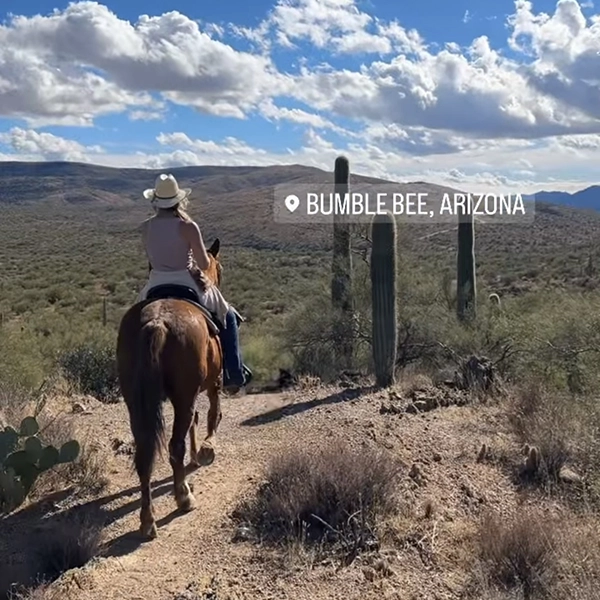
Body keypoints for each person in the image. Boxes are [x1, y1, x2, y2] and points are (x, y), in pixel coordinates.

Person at [137, 173, 250, 391]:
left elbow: (152, 259)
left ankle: (134, 371)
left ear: (155, 201)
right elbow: (202, 261)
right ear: (178, 200)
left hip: (155, 282)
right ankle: (234, 372)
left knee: (135, 319)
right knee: (228, 315)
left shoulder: (146, 227)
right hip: (187, 280)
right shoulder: (189, 226)